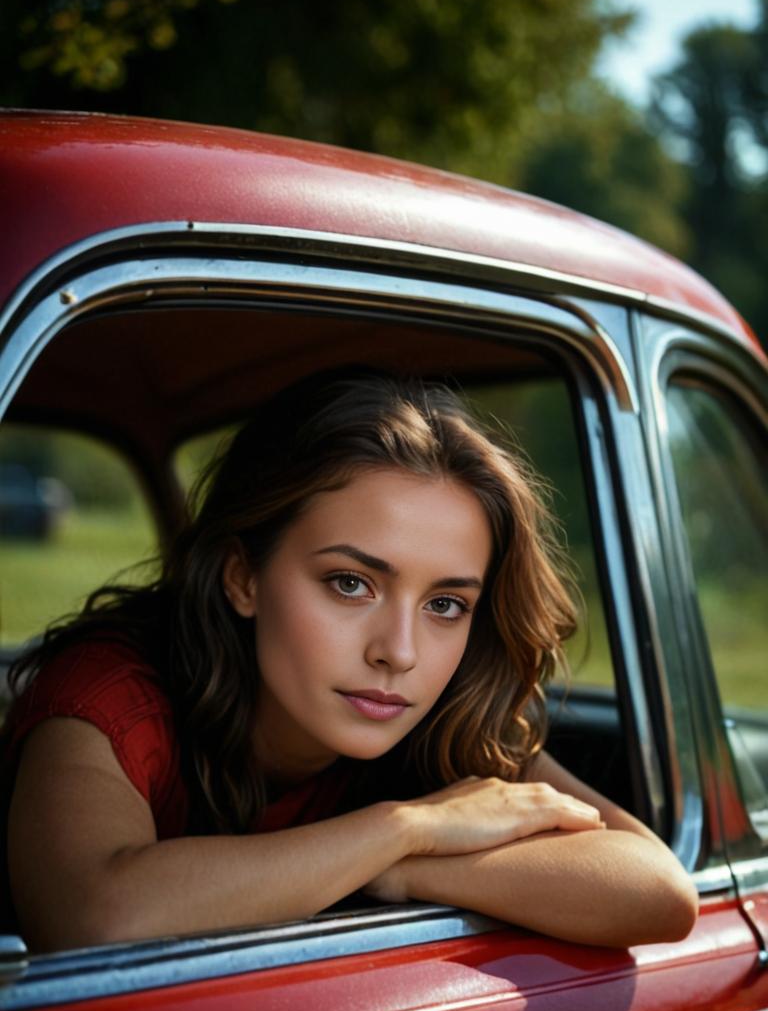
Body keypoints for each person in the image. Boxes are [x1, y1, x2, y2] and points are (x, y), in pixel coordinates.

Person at [0, 370, 698, 953]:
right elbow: (94, 916)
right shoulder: (107, 695)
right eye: (350, 584)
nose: (398, 652)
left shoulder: (445, 718)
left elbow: (658, 891)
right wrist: (408, 830)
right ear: (243, 577)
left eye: (446, 605)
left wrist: (404, 871)